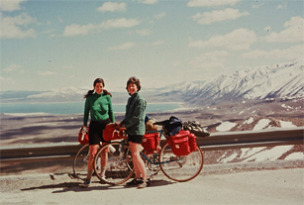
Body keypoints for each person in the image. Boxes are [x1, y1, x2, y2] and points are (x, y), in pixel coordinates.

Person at [79, 78, 115, 188]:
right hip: (94, 126)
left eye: (101, 86)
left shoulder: (107, 97)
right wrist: (85, 126)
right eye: (97, 86)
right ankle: (88, 179)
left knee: (104, 152)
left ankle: (102, 176)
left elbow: (111, 112)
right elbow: (86, 113)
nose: (99, 88)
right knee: (93, 153)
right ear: (94, 87)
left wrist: (113, 125)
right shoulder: (90, 98)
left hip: (106, 126)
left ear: (103, 87)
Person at [120, 77, 148, 188]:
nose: (131, 87)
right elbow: (129, 116)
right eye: (129, 86)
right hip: (131, 130)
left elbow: (137, 118)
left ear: (137, 87)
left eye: (133, 85)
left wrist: (125, 126)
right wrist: (121, 124)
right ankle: (137, 177)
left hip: (137, 130)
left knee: (136, 154)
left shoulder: (140, 100)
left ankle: (145, 179)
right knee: (133, 155)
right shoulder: (131, 99)